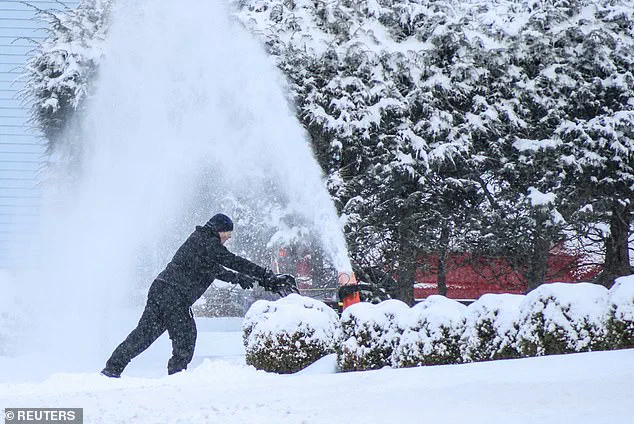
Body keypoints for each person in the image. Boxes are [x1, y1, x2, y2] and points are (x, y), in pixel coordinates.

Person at [100, 213, 296, 378]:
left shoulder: (200, 241)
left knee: (143, 335)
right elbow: (232, 261)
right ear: (219, 230)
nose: (228, 238)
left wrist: (239, 278)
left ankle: (112, 369)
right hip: (174, 295)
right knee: (185, 337)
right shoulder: (208, 242)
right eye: (227, 233)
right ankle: (176, 377)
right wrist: (265, 275)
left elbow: (213, 269)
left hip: (161, 290)